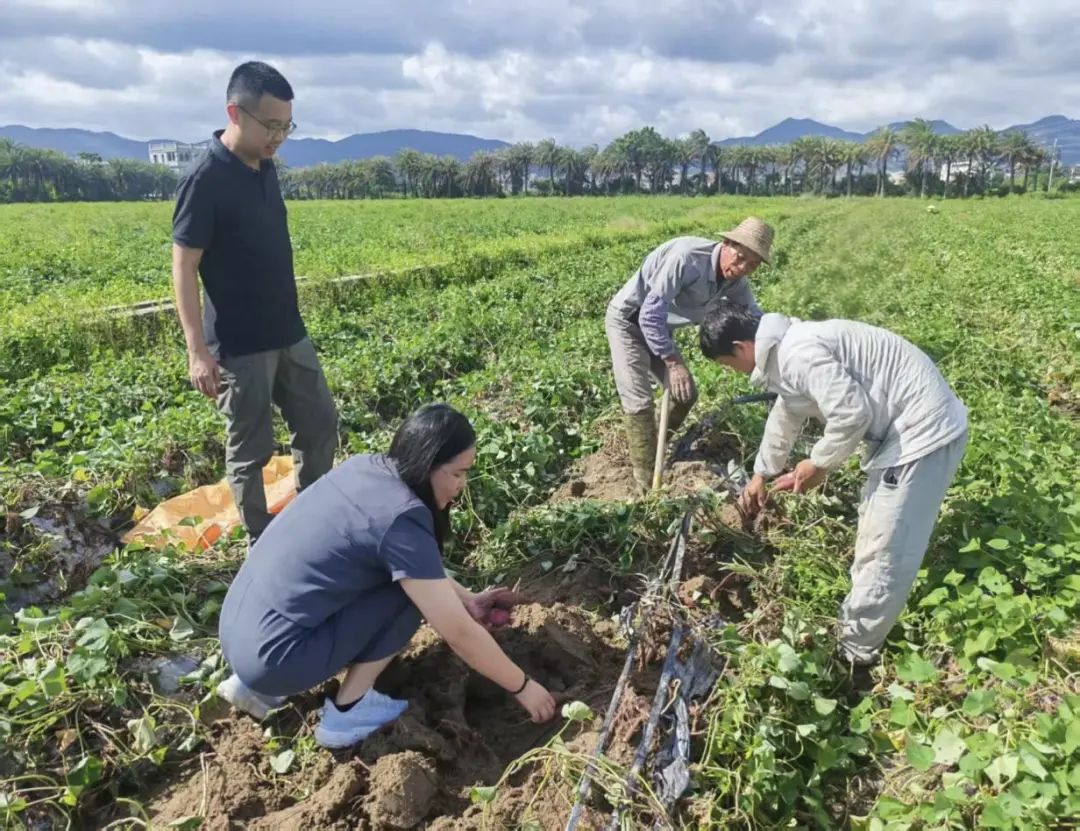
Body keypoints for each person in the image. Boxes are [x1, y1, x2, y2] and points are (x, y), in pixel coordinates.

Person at [215, 403, 558, 748]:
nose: (462, 485)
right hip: (276, 660)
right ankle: (347, 712)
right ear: (427, 464)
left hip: (240, 629)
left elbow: (408, 560)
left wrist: (466, 598)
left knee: (390, 577)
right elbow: (458, 633)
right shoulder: (402, 518)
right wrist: (523, 686)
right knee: (405, 595)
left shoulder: (365, 468)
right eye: (457, 474)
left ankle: (253, 686)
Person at [698, 303, 968, 665]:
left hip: (921, 434)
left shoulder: (798, 353)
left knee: (887, 551)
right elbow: (787, 412)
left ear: (741, 347)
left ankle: (853, 655)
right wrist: (762, 474)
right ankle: (854, 631)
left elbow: (852, 413)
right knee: (875, 537)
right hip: (906, 430)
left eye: (727, 364)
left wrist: (818, 464)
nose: (731, 371)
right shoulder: (786, 350)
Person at [171, 60, 338, 543]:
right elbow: (183, 267)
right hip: (240, 346)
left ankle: (312, 524)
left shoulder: (265, 166)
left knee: (320, 422)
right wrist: (196, 350)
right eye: (270, 126)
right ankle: (261, 542)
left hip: (288, 331)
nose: (278, 137)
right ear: (235, 113)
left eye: (286, 127)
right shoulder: (204, 179)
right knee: (251, 449)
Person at [605, 218, 774, 491]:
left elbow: (755, 317)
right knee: (639, 402)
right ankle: (644, 488)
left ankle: (651, 449)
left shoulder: (736, 282)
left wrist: (786, 340)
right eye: (740, 258)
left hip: (660, 330)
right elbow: (649, 314)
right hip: (630, 321)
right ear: (727, 243)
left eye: (752, 265)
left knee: (685, 394)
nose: (742, 268)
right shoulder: (686, 258)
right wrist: (673, 363)